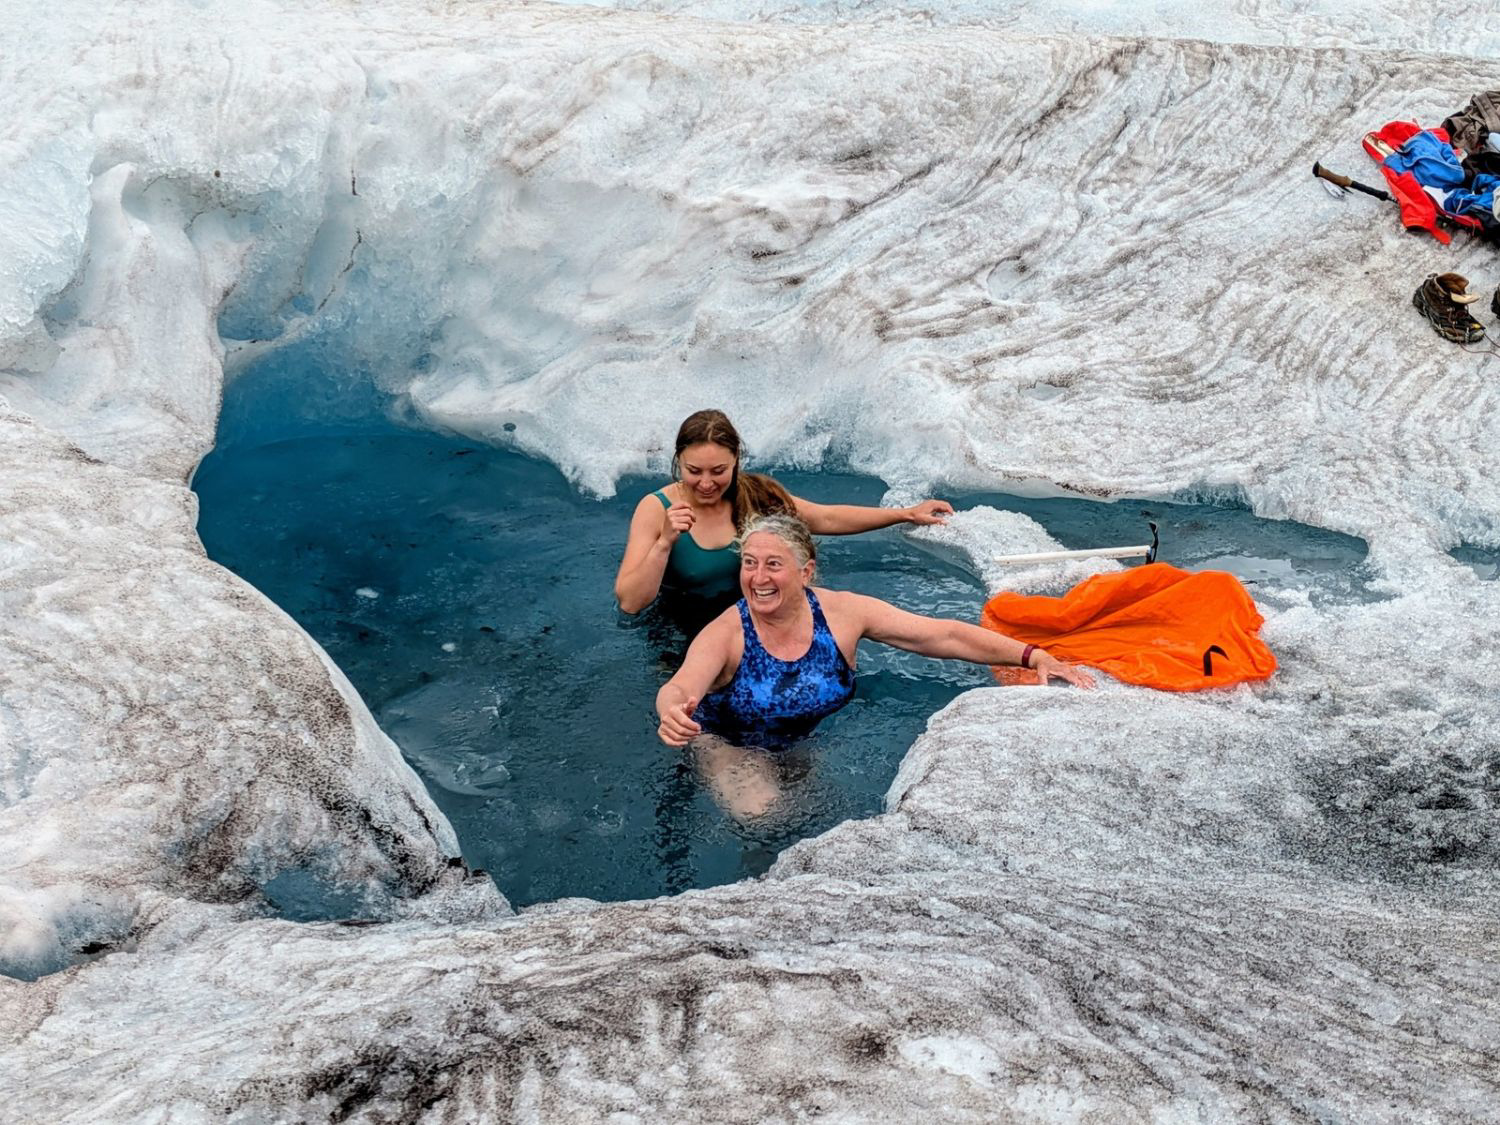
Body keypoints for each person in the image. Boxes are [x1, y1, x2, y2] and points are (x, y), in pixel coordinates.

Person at [655, 514, 1094, 819]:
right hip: (729, 743)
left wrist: (1032, 655)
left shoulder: (843, 613)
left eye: (774, 564)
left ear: (806, 571)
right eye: (749, 564)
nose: (757, 577)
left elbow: (940, 635)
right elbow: (681, 686)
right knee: (765, 817)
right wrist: (672, 710)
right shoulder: (727, 633)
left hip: (806, 738)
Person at [614, 410, 954, 622]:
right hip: (684, 631)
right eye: (693, 471)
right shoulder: (655, 508)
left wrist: (905, 514)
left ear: (736, 461)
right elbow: (630, 603)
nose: (706, 483)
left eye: (718, 470)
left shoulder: (756, 495)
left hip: (754, 621)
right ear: (678, 463)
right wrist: (664, 543)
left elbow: (826, 519)